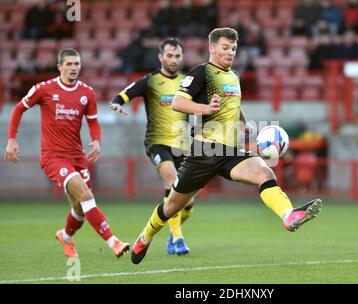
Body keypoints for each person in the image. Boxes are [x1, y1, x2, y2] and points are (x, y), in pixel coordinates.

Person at [130, 27, 323, 265]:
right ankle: (145, 236)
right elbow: (178, 103)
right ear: (212, 48)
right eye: (225, 47)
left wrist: (244, 123)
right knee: (172, 206)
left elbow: (232, 104)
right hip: (204, 152)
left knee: (264, 171)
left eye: (233, 48)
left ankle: (288, 214)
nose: (230, 52)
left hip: (230, 151)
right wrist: (205, 109)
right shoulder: (201, 72)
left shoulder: (233, 76)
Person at [4, 49, 130, 258]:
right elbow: (18, 108)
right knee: (86, 195)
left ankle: (66, 237)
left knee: (80, 210)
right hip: (53, 158)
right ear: (60, 67)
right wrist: (11, 139)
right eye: (69, 64)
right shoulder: (43, 89)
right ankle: (113, 242)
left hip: (77, 157)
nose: (73, 68)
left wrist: (97, 141)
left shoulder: (87, 92)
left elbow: (93, 121)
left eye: (77, 64)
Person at [110, 38, 194, 256]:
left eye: (177, 56)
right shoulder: (150, 81)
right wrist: (118, 103)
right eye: (169, 55)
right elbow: (125, 93)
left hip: (183, 146)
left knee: (188, 202)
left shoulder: (188, 82)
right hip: (158, 143)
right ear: (160, 57)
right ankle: (178, 238)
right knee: (171, 179)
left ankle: (172, 231)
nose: (174, 60)